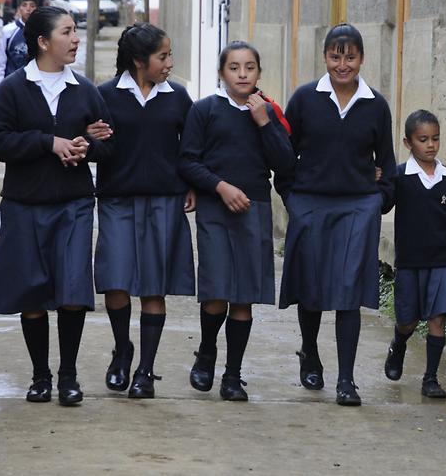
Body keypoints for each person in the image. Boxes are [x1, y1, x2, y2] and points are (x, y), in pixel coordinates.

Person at [0, 6, 113, 405]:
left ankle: (68, 377)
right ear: (42, 42)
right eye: (68, 32)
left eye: (76, 32)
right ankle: (40, 375)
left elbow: (109, 145)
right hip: (24, 205)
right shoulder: (13, 89)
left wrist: (85, 147)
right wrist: (49, 142)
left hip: (73, 204)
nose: (76, 39)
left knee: (73, 289)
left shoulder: (85, 90)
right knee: (33, 293)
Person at [276, 23, 397, 406]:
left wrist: (380, 199)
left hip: (358, 206)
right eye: (335, 56)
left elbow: (388, 162)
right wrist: (292, 198)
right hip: (310, 203)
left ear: (361, 58)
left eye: (350, 56)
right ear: (325, 57)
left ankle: (347, 379)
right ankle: (310, 354)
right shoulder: (305, 99)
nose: (342, 64)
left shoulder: (375, 104)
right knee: (311, 287)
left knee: (349, 292)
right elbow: (284, 156)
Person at [179, 41, 294, 401]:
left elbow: (286, 164)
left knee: (243, 297)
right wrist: (220, 186)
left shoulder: (269, 112)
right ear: (221, 72)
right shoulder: (204, 110)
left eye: (249, 67)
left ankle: (233, 374)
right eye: (234, 67)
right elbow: (188, 161)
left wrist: (264, 123)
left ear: (259, 72)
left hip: (254, 210)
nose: (242, 74)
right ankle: (207, 351)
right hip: (215, 209)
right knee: (215, 292)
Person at [87, 24, 196, 399]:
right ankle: (122, 349)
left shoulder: (179, 97)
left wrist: (192, 184)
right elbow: (97, 148)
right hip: (118, 200)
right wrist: (89, 139)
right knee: (115, 281)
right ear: (138, 61)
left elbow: (191, 149)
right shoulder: (104, 96)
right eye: (162, 56)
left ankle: (145, 370)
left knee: (154, 287)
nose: (169, 63)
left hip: (165, 202)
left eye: (169, 55)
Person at [382, 110, 446, 398]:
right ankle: (399, 343)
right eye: (423, 140)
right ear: (408, 143)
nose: (430, 145)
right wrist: (376, 181)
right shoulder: (400, 176)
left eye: (435, 139)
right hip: (410, 263)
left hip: (443, 262)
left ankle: (430, 378)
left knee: (437, 319)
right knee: (408, 320)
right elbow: (383, 205)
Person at [0, 0, 39, 87]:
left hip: (36, 85)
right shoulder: (8, 31)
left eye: (32, 6)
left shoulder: (43, 32)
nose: (28, 9)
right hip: (13, 85)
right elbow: (1, 61)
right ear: (19, 8)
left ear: (37, 9)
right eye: (24, 5)